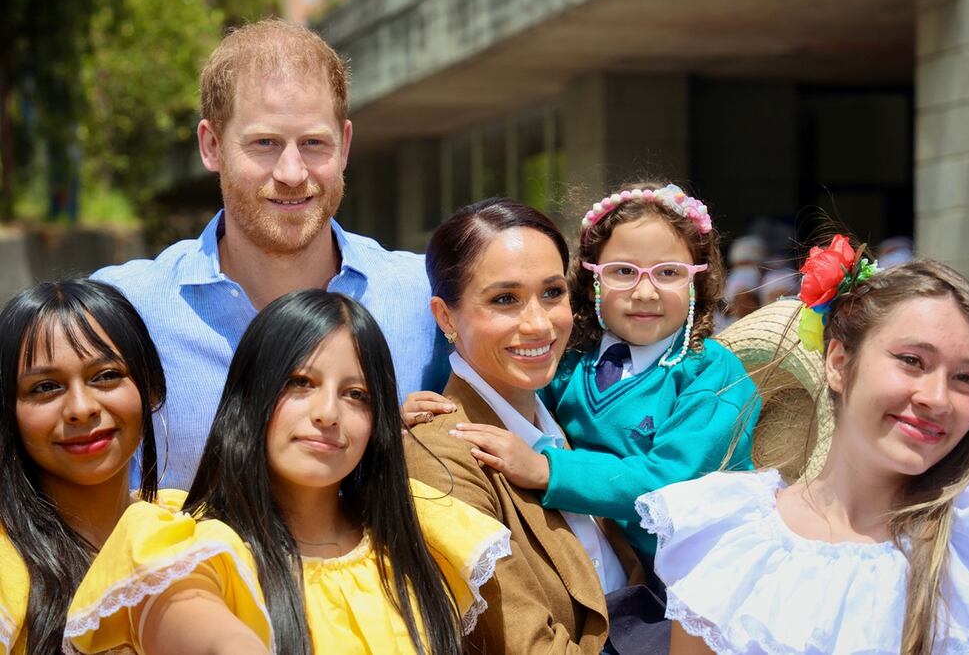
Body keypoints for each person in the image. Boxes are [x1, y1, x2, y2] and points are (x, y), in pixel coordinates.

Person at [92, 19, 448, 490]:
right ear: (211, 145)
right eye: (265, 143)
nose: (292, 172)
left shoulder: (426, 298)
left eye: (314, 143)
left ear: (344, 145)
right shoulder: (123, 309)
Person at [65, 291, 510, 655]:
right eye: (300, 383)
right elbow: (208, 634)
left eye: (356, 394)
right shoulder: (192, 548)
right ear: (250, 396)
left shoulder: (422, 535)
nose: (328, 414)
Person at [637, 239, 969, 654]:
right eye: (912, 360)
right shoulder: (731, 537)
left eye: (966, 378)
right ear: (840, 363)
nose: (936, 397)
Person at [436, 183, 759, 563]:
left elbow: (670, 483)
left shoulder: (712, 373)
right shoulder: (570, 361)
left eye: (668, 272)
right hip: (612, 568)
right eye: (622, 271)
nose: (645, 292)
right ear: (591, 283)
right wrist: (436, 406)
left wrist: (546, 470)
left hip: (701, 573)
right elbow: (512, 407)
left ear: (697, 282)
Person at [405, 198, 649, 654]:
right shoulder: (439, 455)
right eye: (505, 299)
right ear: (445, 317)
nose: (539, 323)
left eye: (553, 292)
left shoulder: (570, 412)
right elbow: (525, 645)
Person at [0, 279, 166, 654]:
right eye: (45, 387)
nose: (81, 408)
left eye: (106, 376)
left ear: (151, 389)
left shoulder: (193, 530)